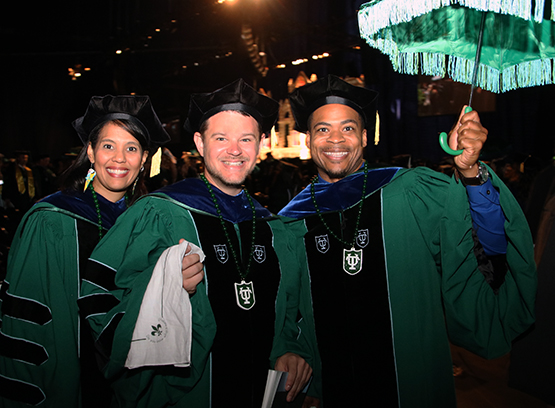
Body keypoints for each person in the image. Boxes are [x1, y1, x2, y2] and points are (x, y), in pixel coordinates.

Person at [278, 75, 537, 407]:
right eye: (322, 130)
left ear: (366, 137)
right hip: (332, 386)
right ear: (310, 139)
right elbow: (287, 311)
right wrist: (297, 357)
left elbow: (486, 241)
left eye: (348, 128)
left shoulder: (411, 192)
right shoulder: (290, 222)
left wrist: (471, 173)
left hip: (411, 382)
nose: (335, 140)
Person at [79, 79, 314, 408]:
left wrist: (291, 348)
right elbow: (98, 295)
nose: (234, 150)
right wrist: (164, 287)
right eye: (221, 138)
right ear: (200, 143)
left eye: (245, 139)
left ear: (262, 143)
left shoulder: (274, 228)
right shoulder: (159, 213)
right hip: (182, 396)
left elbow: (291, 313)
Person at [0, 95, 170, 407]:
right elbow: (27, 319)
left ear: (144, 158)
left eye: (131, 148)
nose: (119, 158)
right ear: (90, 152)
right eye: (108, 146)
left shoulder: (153, 224)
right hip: (71, 381)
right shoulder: (51, 221)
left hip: (136, 384)